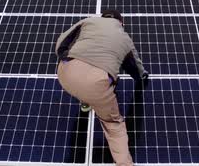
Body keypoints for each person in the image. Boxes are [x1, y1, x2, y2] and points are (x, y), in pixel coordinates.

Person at [55, 9, 148, 166]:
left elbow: (62, 40)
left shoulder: (88, 21)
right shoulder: (125, 39)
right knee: (114, 126)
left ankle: (86, 102)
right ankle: (124, 164)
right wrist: (142, 77)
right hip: (97, 85)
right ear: (121, 23)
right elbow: (135, 67)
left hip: (66, 74)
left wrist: (64, 57)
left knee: (81, 85)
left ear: (103, 17)